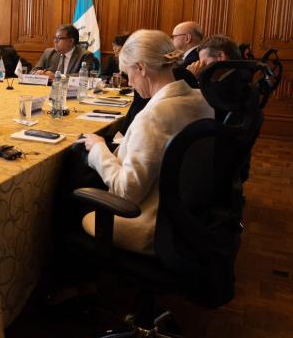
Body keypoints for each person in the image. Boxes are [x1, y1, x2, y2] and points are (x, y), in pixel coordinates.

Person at [77, 30, 214, 255]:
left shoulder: (153, 115)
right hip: (190, 216)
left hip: (151, 224)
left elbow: (126, 192)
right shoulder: (203, 100)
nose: (129, 82)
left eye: (127, 73)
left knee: (72, 192)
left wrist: (99, 149)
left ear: (141, 68)